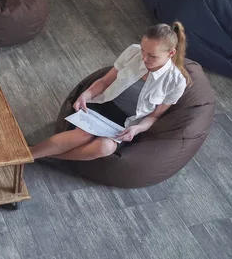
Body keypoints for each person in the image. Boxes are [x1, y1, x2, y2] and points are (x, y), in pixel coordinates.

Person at [30, 21, 191, 161]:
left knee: (104, 148)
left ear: (171, 53)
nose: (144, 58)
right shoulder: (133, 52)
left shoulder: (176, 82)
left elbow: (154, 116)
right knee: (81, 135)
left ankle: (47, 156)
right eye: (143, 50)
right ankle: (30, 154)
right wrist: (86, 94)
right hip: (104, 105)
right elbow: (105, 81)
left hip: (126, 123)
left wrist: (137, 129)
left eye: (152, 56)